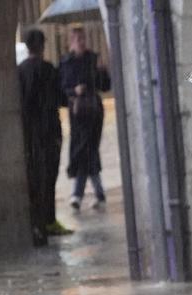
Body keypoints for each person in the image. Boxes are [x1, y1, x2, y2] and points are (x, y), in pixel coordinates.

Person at [18, 29, 72, 245]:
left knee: (33, 179)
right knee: (48, 178)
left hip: (30, 134)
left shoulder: (20, 71)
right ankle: (48, 221)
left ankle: (36, 224)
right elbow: (61, 98)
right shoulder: (49, 70)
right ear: (42, 46)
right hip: (49, 132)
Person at [59, 26, 111, 212]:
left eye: (83, 38)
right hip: (77, 113)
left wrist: (103, 71)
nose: (80, 42)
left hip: (94, 111)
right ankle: (97, 193)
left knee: (88, 149)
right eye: (76, 39)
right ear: (70, 42)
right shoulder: (66, 63)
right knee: (84, 150)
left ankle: (78, 195)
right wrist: (74, 91)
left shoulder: (93, 59)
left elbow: (105, 86)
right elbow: (61, 91)